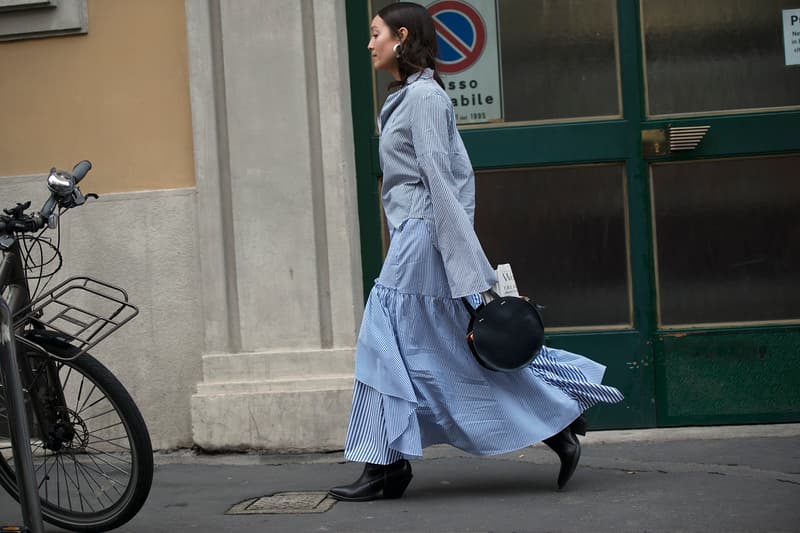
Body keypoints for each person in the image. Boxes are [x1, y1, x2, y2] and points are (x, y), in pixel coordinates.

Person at [329, 2, 624, 502]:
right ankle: (558, 425)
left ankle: (386, 468)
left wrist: (472, 268)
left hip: (422, 237)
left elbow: (444, 184)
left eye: (375, 33)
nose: (369, 43)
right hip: (415, 236)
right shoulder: (407, 97)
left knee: (383, 343)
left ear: (402, 37)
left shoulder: (424, 99)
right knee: (447, 351)